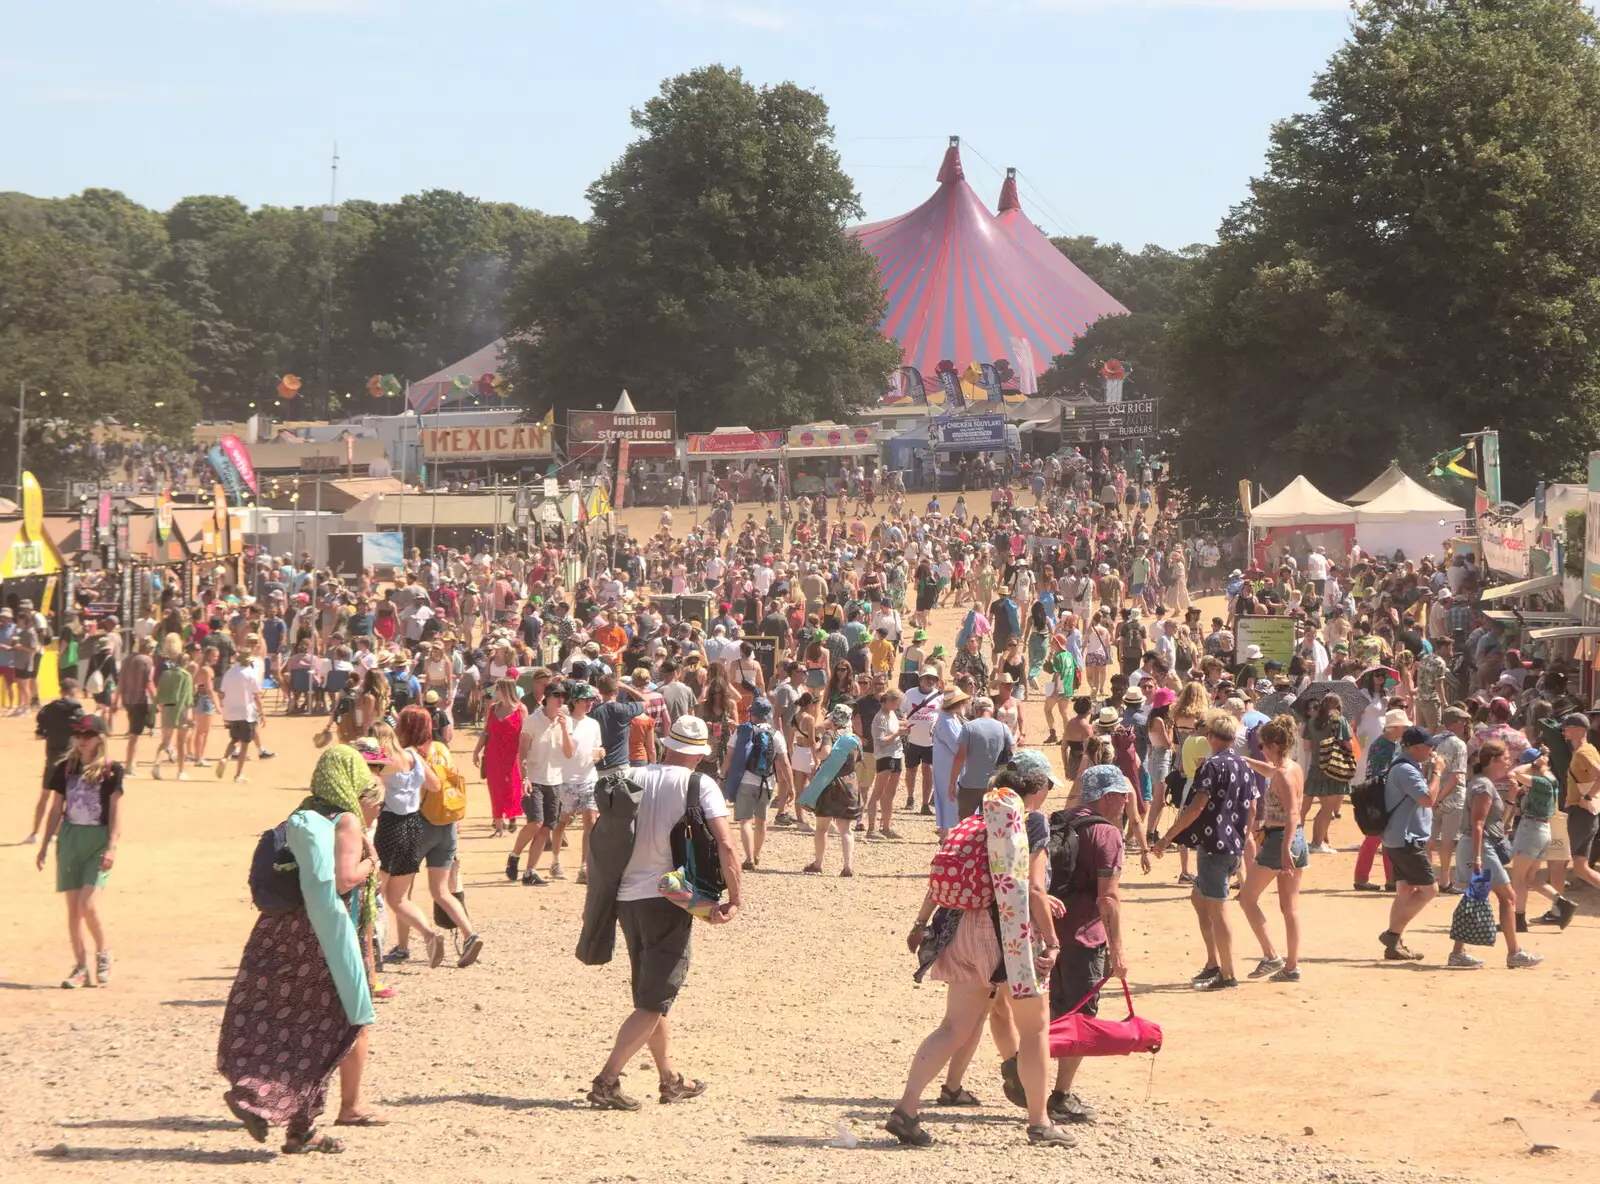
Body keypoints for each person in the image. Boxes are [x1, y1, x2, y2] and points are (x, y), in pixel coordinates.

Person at [890, 774, 1073, 1149]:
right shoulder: (1025, 822)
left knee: (953, 1027)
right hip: (1009, 934)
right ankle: (1039, 1121)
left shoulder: (972, 823)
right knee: (1035, 1029)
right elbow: (1033, 889)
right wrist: (1052, 943)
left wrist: (920, 923)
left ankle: (906, 1109)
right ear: (1031, 794)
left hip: (963, 928)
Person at [218, 744, 380, 1152]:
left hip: (279, 930)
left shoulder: (303, 813)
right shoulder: (345, 820)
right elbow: (344, 880)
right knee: (329, 1027)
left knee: (280, 1021)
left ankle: (294, 1124)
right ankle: (270, 1105)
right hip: (323, 936)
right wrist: (371, 864)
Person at [578, 715, 741, 1111]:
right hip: (672, 895)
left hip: (627, 898)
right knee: (654, 1000)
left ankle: (670, 1080)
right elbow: (726, 846)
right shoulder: (701, 785)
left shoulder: (634, 776)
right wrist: (734, 897)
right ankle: (607, 1080)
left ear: (667, 745)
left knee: (651, 995)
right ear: (700, 754)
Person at [1047, 761, 1134, 1124]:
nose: (1128, 801)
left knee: (1050, 1012)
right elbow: (1108, 898)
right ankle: (1061, 1095)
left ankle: (1029, 1078)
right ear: (1110, 796)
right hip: (1084, 935)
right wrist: (1117, 950)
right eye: (1124, 795)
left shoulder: (1060, 820)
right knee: (1080, 1016)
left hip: (1048, 932)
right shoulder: (1107, 834)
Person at [1153, 711, 1257, 991]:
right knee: (1200, 899)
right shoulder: (1244, 766)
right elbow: (1253, 807)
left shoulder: (1211, 766)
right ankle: (1214, 963)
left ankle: (1227, 972)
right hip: (1232, 844)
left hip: (1214, 846)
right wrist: (1243, 837)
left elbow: (1197, 807)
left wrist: (1167, 838)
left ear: (1210, 736)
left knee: (1216, 906)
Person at [35, 715, 123, 989]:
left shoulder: (111, 770)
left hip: (97, 839)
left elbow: (117, 812)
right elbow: (56, 808)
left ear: (100, 738)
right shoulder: (64, 768)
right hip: (70, 838)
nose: (82, 740)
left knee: (88, 904)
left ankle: (103, 952)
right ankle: (81, 967)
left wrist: (111, 847)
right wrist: (45, 843)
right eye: (79, 735)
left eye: (87, 735)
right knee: (73, 910)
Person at [361, 726, 451, 971]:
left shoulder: (380, 762)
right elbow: (434, 786)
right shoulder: (412, 756)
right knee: (399, 898)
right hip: (414, 826)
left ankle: (372, 950)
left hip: (390, 827)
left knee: (374, 892)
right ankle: (428, 934)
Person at [1447, 740, 1543, 969]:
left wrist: (1510, 799)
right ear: (1492, 760)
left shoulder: (1484, 783)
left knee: (1475, 896)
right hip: (1480, 847)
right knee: (1508, 897)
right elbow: (1478, 824)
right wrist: (1479, 857)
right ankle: (1514, 953)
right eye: (1506, 757)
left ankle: (1458, 954)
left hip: (1479, 846)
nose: (1509, 761)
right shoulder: (1483, 786)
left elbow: (1492, 821)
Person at [1237, 714, 1306, 982]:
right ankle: (1291, 966)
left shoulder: (1284, 775)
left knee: (1247, 898)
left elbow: (1291, 814)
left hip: (1281, 840)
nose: (1261, 750)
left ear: (1274, 746)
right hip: (1294, 839)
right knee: (1290, 908)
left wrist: (1285, 847)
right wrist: (1242, 760)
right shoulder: (1292, 768)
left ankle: (1271, 956)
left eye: (1263, 746)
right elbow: (1268, 770)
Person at [1378, 726, 1443, 962]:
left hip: (1398, 837)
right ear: (1415, 748)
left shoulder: (1404, 765)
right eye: (1428, 746)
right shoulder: (1406, 770)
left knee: (1405, 890)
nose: (1431, 750)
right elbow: (1427, 799)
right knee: (1429, 889)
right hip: (1406, 839)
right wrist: (1437, 773)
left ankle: (1394, 944)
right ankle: (1392, 934)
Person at [800, 704, 864, 875]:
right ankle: (847, 866)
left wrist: (817, 755)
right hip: (850, 783)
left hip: (830, 784)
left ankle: (818, 863)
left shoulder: (830, 734)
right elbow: (858, 761)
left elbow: (826, 753)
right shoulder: (855, 739)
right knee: (845, 828)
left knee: (822, 827)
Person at [27, 677, 83, 845]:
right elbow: (83, 730)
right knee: (62, 798)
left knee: (44, 795)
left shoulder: (47, 710)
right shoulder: (76, 709)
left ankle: (34, 833)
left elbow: (39, 734)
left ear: (60, 690)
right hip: (69, 758)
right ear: (74, 691)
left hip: (51, 756)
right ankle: (55, 833)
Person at [946, 695, 1015, 820]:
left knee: (965, 823)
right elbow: (1012, 752)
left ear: (976, 710)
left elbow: (960, 757)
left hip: (970, 784)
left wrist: (952, 782)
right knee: (991, 824)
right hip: (994, 785)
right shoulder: (1003, 728)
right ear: (992, 710)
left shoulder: (968, 727)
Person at [474, 677, 527, 838]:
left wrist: (527, 755)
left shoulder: (521, 709)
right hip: (494, 755)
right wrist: (476, 751)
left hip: (513, 756)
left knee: (512, 787)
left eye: (498, 689)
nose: (496, 692)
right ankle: (498, 826)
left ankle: (511, 816)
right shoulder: (493, 709)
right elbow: (486, 732)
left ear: (506, 690)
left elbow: (526, 735)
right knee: (495, 788)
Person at [217, 649, 264, 783]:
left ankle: (225, 757)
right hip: (246, 712)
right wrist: (262, 713)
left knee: (234, 739)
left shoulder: (229, 673)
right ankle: (238, 774)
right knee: (245, 744)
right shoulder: (251, 674)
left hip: (231, 712)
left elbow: (222, 693)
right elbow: (257, 696)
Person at [118, 636, 156, 777]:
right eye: (151, 648)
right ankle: (129, 765)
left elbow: (121, 681)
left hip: (128, 700)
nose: (153, 650)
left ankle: (132, 762)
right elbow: (149, 682)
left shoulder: (127, 660)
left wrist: (116, 699)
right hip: (140, 700)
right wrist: (158, 699)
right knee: (135, 735)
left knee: (135, 733)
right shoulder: (147, 660)